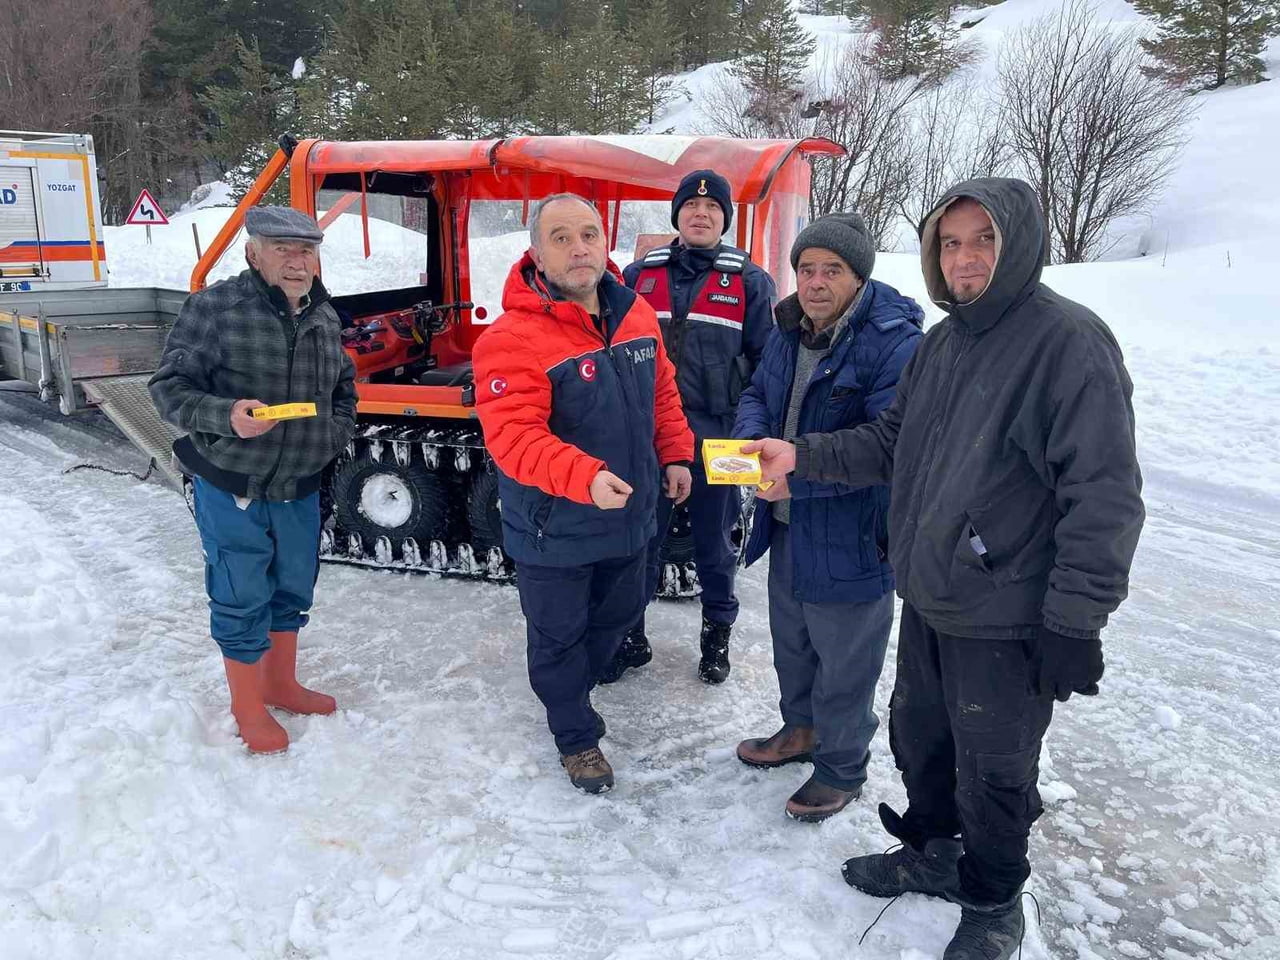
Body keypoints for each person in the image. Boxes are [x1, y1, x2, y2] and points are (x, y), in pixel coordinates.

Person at [745, 179, 1144, 959]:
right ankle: (933, 853)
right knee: (921, 739)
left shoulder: (1067, 343)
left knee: (994, 766)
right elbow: (891, 442)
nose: (965, 258)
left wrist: (1076, 619)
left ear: (1019, 244)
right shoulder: (945, 342)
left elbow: (1104, 497)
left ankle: (993, 898)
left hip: (1007, 611)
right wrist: (802, 456)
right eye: (951, 242)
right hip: (932, 594)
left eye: (984, 240)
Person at [471, 194, 694, 794]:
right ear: (537, 254)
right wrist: (583, 476)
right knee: (558, 638)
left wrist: (675, 452)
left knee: (622, 611)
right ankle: (576, 737)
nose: (578, 248)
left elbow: (662, 392)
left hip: (630, 515)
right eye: (561, 237)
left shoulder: (635, 314)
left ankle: (573, 686)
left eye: (589, 234)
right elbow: (513, 437)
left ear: (605, 243)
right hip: (556, 527)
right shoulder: (511, 338)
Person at [732, 213, 922, 822]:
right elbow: (757, 395)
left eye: (832, 270)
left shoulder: (894, 343)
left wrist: (797, 468)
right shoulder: (788, 329)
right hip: (787, 520)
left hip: (852, 532)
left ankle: (841, 767)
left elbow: (887, 445)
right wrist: (752, 447)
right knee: (793, 643)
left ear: (858, 276)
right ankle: (801, 731)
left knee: (845, 661)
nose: (815, 282)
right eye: (807, 268)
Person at [149, 206, 356, 755]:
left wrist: (334, 433)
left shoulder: (322, 313)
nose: (297, 261)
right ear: (252, 253)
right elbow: (167, 389)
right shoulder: (215, 308)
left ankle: (280, 683)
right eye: (282, 249)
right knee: (241, 591)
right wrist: (226, 416)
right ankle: (247, 705)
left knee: (293, 586)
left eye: (306, 250)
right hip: (232, 482)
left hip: (300, 483)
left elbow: (344, 385)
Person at [600, 168, 777, 686]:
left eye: (713, 208)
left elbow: (767, 368)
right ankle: (630, 638)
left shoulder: (750, 281)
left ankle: (716, 639)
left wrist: (752, 434)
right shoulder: (638, 276)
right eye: (692, 206)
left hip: (724, 438)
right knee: (639, 542)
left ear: (724, 219)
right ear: (677, 214)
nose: (701, 214)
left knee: (717, 546)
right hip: (649, 437)